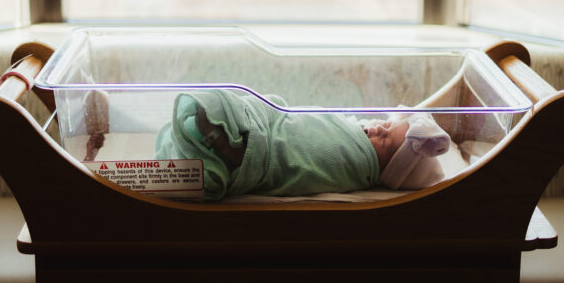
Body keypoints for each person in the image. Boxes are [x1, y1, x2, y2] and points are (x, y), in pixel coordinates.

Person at [154, 89, 451, 201]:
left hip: (270, 148)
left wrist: (271, 138)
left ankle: (228, 148)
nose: (376, 127)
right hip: (276, 123)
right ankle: (223, 138)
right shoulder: (355, 131)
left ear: (386, 167)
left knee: (232, 117)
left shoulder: (355, 161)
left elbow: (304, 157)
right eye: (384, 124)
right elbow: (306, 120)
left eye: (383, 138)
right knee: (234, 104)